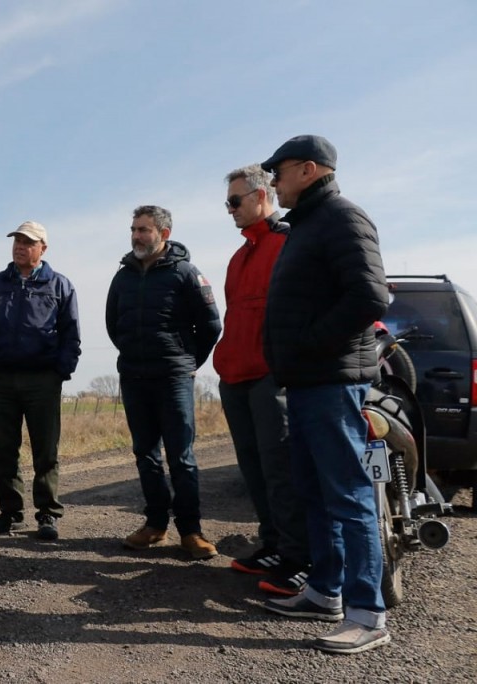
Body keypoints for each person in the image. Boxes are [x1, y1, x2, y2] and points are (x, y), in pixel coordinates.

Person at [259, 135, 391, 654]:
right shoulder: (307, 225)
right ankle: (324, 592)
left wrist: (311, 344)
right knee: (315, 492)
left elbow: (370, 295)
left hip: (332, 382)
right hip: (307, 382)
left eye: (279, 172)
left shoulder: (342, 218)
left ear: (309, 170)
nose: (274, 181)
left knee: (350, 497)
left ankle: (367, 614)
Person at [214, 165, 310, 595]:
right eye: (228, 203)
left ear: (261, 196)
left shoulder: (289, 243)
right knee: (253, 469)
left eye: (235, 201)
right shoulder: (239, 258)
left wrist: (283, 366)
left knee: (281, 469)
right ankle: (272, 545)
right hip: (235, 377)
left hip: (271, 377)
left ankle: (299, 558)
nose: (230, 209)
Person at [106, 205, 222, 560]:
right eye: (134, 229)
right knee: (146, 454)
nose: (136, 236)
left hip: (173, 378)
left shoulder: (185, 273)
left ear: (164, 234)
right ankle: (155, 525)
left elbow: (211, 325)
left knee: (181, 456)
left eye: (143, 230)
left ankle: (191, 532)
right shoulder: (123, 276)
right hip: (134, 376)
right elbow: (113, 324)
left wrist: (186, 361)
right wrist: (133, 353)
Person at [0, 221, 81, 541]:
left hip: (42, 380)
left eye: (28, 242)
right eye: (17, 241)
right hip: (0, 381)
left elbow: (71, 334)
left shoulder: (60, 285)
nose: (20, 246)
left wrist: (60, 371)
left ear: (42, 248)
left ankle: (48, 513)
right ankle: (10, 513)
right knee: (2, 450)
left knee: (45, 450)